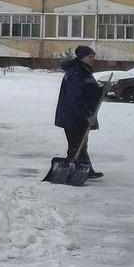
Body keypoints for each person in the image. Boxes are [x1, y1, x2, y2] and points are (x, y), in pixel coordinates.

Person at [54, 45, 104, 179]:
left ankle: (83, 169)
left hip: (79, 116)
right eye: (90, 56)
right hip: (73, 116)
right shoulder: (76, 73)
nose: (93, 59)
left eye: (94, 56)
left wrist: (102, 90)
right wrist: (86, 114)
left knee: (79, 145)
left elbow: (89, 92)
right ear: (82, 57)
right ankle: (76, 170)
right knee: (77, 145)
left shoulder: (85, 71)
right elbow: (74, 98)